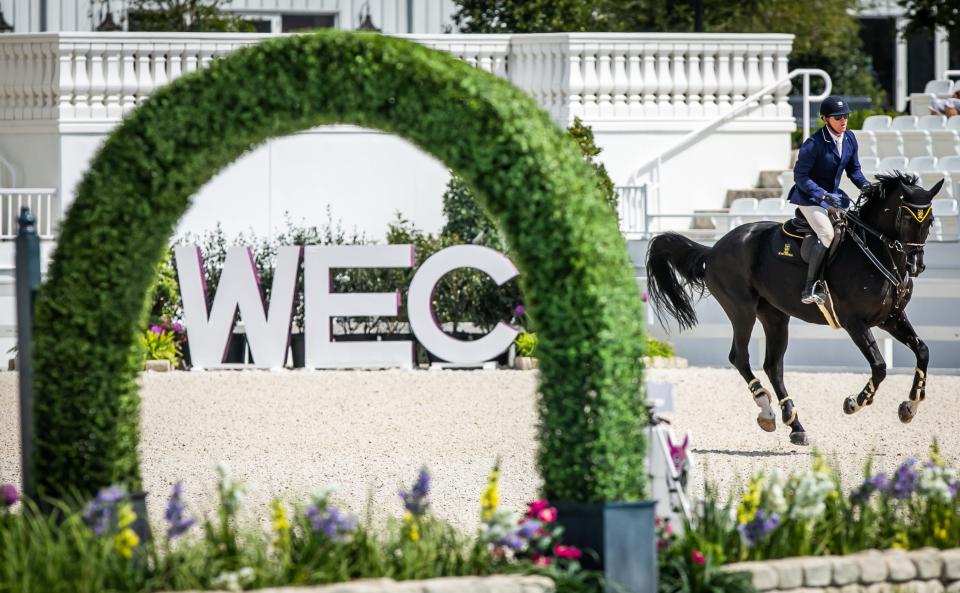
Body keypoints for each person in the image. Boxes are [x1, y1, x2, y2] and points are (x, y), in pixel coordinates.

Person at [788, 95, 871, 305]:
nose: (843, 120)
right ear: (825, 119)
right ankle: (811, 286)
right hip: (809, 198)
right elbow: (800, 177)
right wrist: (822, 195)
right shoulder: (813, 143)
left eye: (845, 116)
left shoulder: (850, 138)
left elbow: (854, 171)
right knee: (827, 233)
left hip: (834, 196)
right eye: (837, 117)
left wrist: (868, 187)